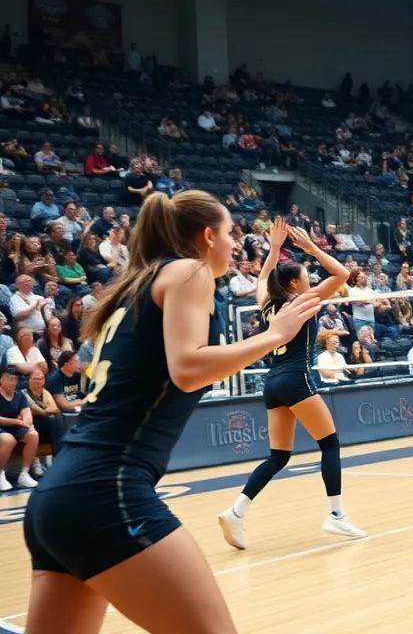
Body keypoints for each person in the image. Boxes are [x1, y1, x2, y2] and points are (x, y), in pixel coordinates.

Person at [22, 191, 321, 634]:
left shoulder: (136, 286)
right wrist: (273, 335)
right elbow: (186, 369)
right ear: (206, 236)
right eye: (228, 234)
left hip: (59, 498)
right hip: (107, 493)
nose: (234, 245)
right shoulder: (190, 270)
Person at [218, 219, 363, 550]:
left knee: (279, 456)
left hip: (273, 383)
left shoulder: (268, 304)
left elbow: (263, 281)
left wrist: (273, 250)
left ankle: (236, 512)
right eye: (305, 277)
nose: (310, 280)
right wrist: (311, 247)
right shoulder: (304, 300)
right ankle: (337, 515)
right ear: (296, 284)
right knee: (329, 444)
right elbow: (341, 275)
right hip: (297, 378)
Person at [0, 367, 39, 490]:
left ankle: (24, 474)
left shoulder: (20, 395)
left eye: (16, 380)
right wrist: (17, 421)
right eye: (11, 379)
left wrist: (27, 421)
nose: (14, 382)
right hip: (3, 427)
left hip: (16, 426)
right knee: (8, 439)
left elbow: (26, 412)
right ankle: (0, 474)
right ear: (1, 379)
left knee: (33, 435)